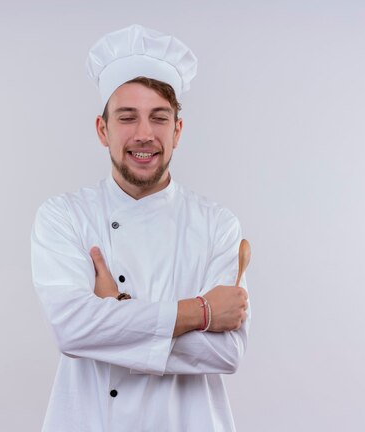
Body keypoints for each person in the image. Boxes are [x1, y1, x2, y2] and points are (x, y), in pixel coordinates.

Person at [31, 24, 250, 432]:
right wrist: (201, 312)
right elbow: (72, 331)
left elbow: (226, 353)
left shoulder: (218, 224)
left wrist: (113, 318)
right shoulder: (63, 216)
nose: (144, 134)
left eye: (159, 118)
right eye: (127, 117)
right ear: (103, 129)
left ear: (177, 131)